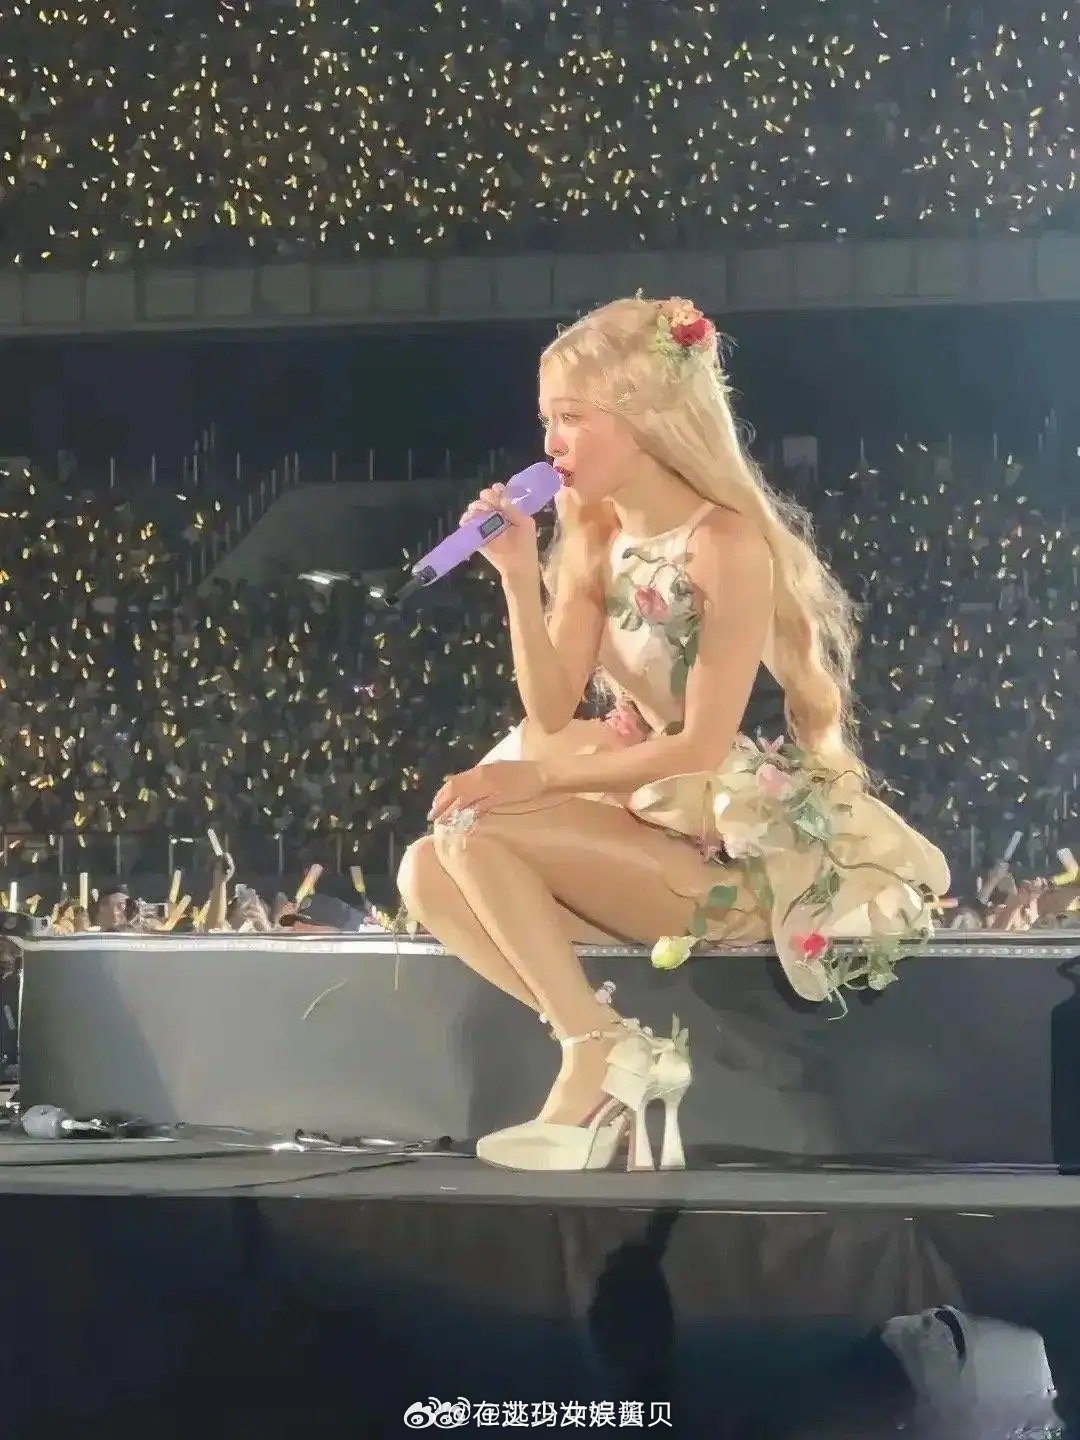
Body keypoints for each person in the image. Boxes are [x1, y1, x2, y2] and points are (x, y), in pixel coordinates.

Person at [397, 295, 950, 1173]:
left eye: (571, 418)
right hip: (641, 816)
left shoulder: (723, 544)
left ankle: (595, 1055)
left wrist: (534, 781)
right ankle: (601, 1037)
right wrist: (515, 576)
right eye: (546, 421)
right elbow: (550, 710)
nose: (550, 444)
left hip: (721, 843)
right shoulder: (596, 536)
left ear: (647, 416)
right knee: (425, 869)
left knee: (475, 828)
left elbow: (699, 745)